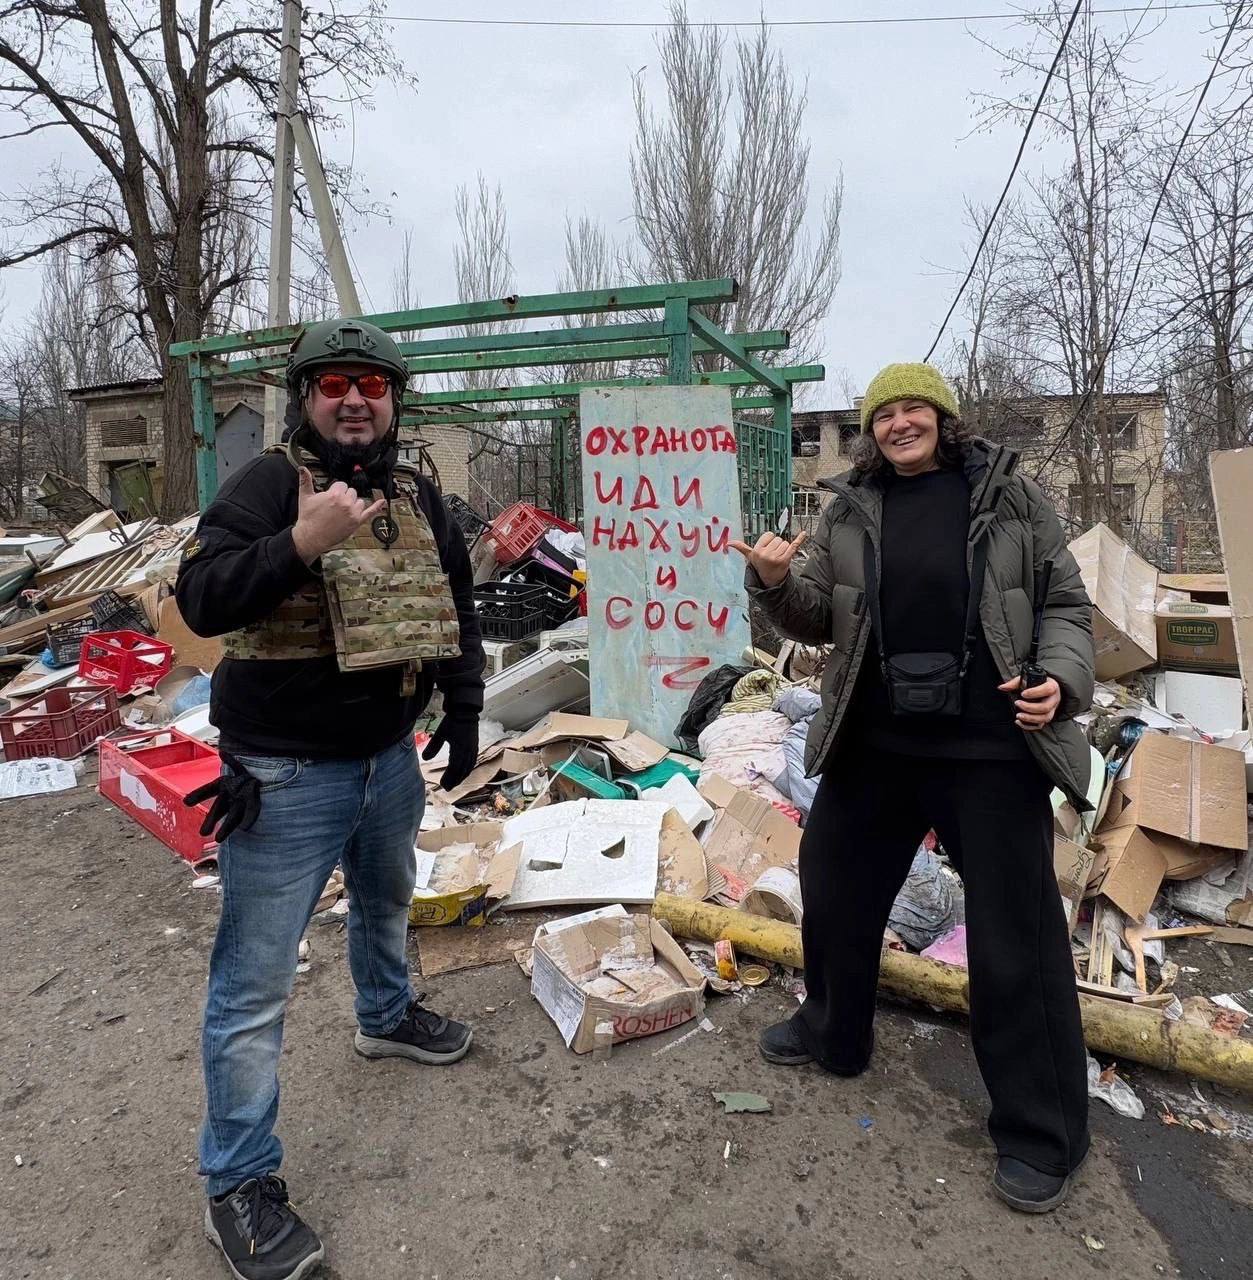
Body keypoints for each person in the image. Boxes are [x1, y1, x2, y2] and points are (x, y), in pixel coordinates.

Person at [732, 362, 1094, 1214]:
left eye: (913, 409)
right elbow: (815, 615)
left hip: (989, 750)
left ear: (943, 417)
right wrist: (773, 582)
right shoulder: (850, 506)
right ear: (869, 432)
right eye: (882, 414)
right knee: (834, 893)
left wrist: (1060, 680)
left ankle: (1041, 1132)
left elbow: (1065, 605)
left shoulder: (1010, 498)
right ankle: (833, 1033)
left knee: (1014, 936)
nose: (898, 424)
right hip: (875, 744)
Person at [175, 317, 485, 1280]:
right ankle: (237, 1182)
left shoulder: (417, 495)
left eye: (372, 385)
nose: (355, 400)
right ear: (306, 398)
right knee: (253, 986)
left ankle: (384, 1017)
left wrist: (464, 706)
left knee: (386, 905)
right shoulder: (267, 487)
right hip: (284, 776)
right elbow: (201, 600)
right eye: (335, 384)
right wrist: (300, 543)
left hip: (387, 761)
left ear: (394, 401)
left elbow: (455, 604)